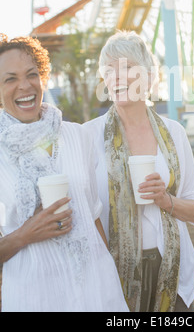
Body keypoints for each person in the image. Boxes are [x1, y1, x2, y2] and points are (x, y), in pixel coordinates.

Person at [0, 34, 128, 312]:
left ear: (43, 77)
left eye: (32, 74)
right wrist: (24, 235)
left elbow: (93, 216)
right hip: (37, 298)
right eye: (10, 79)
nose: (24, 86)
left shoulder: (78, 136)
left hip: (97, 292)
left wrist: (112, 281)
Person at [84, 30, 194, 312]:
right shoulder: (87, 136)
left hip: (173, 272)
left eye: (127, 68)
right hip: (112, 276)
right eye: (109, 70)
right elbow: (83, 211)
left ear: (149, 77)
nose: (117, 77)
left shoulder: (174, 133)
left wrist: (167, 201)